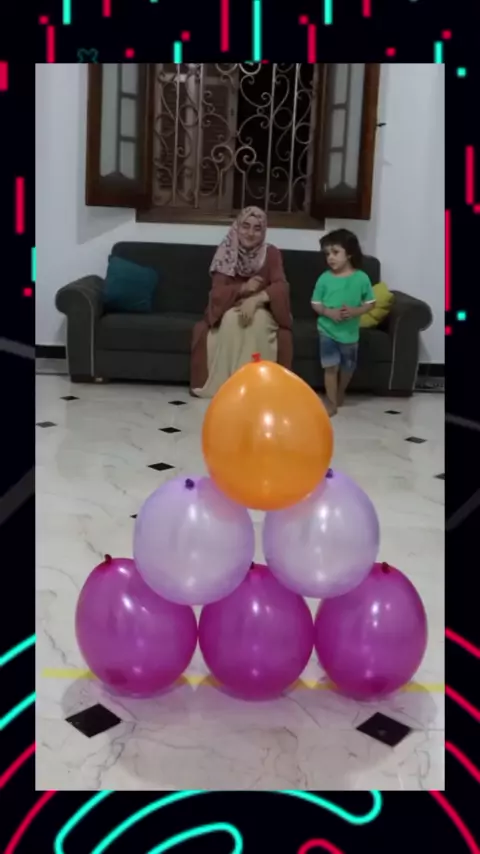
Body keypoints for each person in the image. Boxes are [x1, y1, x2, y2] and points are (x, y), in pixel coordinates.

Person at [190, 206, 293, 397]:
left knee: (257, 321)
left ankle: (256, 388)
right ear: (237, 226)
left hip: (263, 310)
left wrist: (256, 299)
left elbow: (281, 286)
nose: (250, 233)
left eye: (257, 228)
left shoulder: (271, 253)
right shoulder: (226, 252)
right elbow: (217, 293)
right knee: (232, 320)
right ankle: (230, 387)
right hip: (229, 309)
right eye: (245, 226)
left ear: (263, 231)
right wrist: (243, 288)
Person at [311, 229, 376, 417]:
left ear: (349, 253)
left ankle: (340, 392)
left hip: (349, 333)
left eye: (335, 252)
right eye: (327, 254)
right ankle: (331, 402)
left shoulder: (361, 278)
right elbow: (315, 303)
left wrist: (355, 311)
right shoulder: (324, 278)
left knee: (348, 367)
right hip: (327, 330)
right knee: (330, 366)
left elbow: (371, 303)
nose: (330, 258)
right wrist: (328, 312)